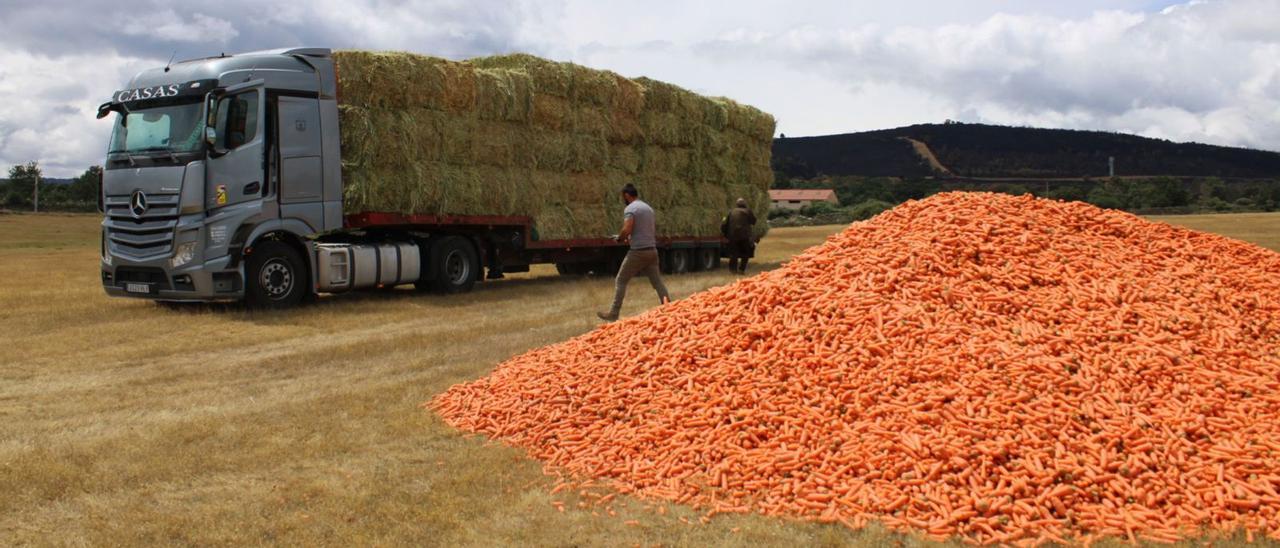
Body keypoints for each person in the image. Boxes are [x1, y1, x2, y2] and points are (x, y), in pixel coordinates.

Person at [598, 184, 670, 321]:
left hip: (638, 252)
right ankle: (669, 307)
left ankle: (614, 313)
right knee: (657, 282)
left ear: (626, 195)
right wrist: (630, 238)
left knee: (621, 280)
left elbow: (627, 229)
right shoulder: (648, 208)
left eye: (623, 197)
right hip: (652, 250)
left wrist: (620, 238)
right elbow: (643, 230)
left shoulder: (630, 209)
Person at [723, 197, 757, 274]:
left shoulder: (731, 212)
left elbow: (724, 224)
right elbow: (754, 221)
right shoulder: (747, 211)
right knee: (746, 253)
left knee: (733, 254)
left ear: (736, 204)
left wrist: (726, 234)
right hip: (744, 236)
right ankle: (741, 269)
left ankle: (733, 271)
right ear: (744, 204)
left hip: (732, 236)